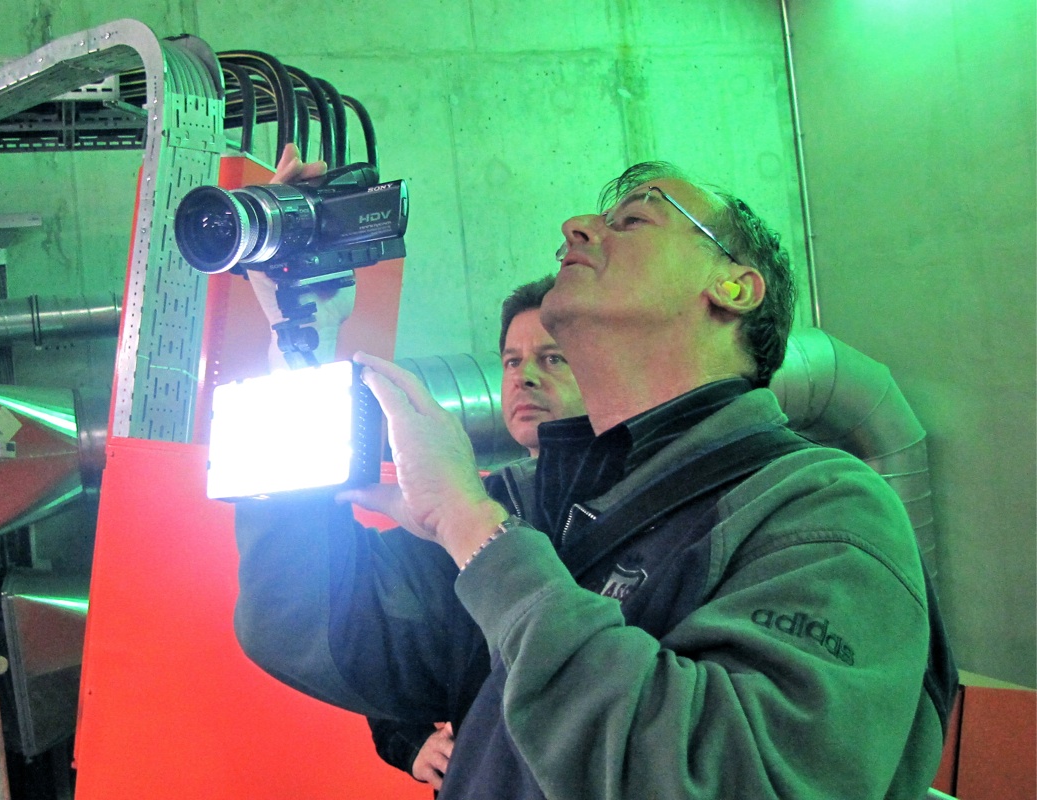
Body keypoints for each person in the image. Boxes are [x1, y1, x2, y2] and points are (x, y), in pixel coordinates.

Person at [235, 151, 955, 799]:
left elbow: (725, 779)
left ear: (735, 287)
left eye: (634, 219)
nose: (575, 226)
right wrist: (298, 337)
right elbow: (302, 620)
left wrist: (470, 526)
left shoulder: (822, 508)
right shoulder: (531, 503)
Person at [366, 274, 584, 789]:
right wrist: (409, 741)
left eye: (553, 358)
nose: (524, 378)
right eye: (512, 361)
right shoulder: (472, 503)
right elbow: (385, 642)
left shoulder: (634, 500)